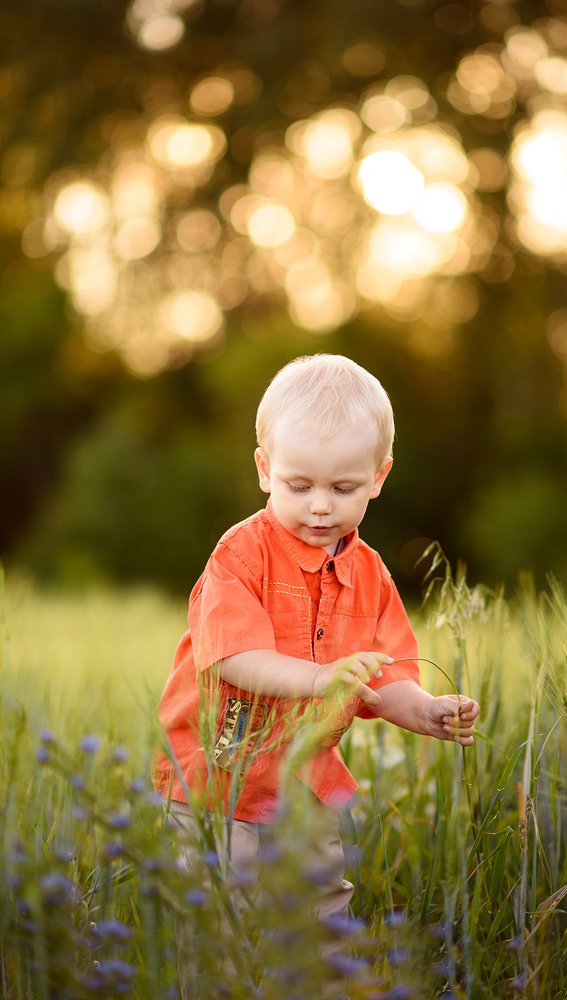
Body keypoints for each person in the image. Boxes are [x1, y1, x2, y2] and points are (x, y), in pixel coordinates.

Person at [153, 353, 480, 979]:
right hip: (217, 780)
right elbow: (233, 657)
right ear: (264, 469)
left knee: (319, 921)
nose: (321, 507)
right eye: (299, 486)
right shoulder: (239, 556)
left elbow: (384, 677)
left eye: (344, 487)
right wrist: (320, 678)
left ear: (379, 477)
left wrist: (428, 711)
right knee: (216, 927)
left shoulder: (372, 576)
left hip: (306, 789)